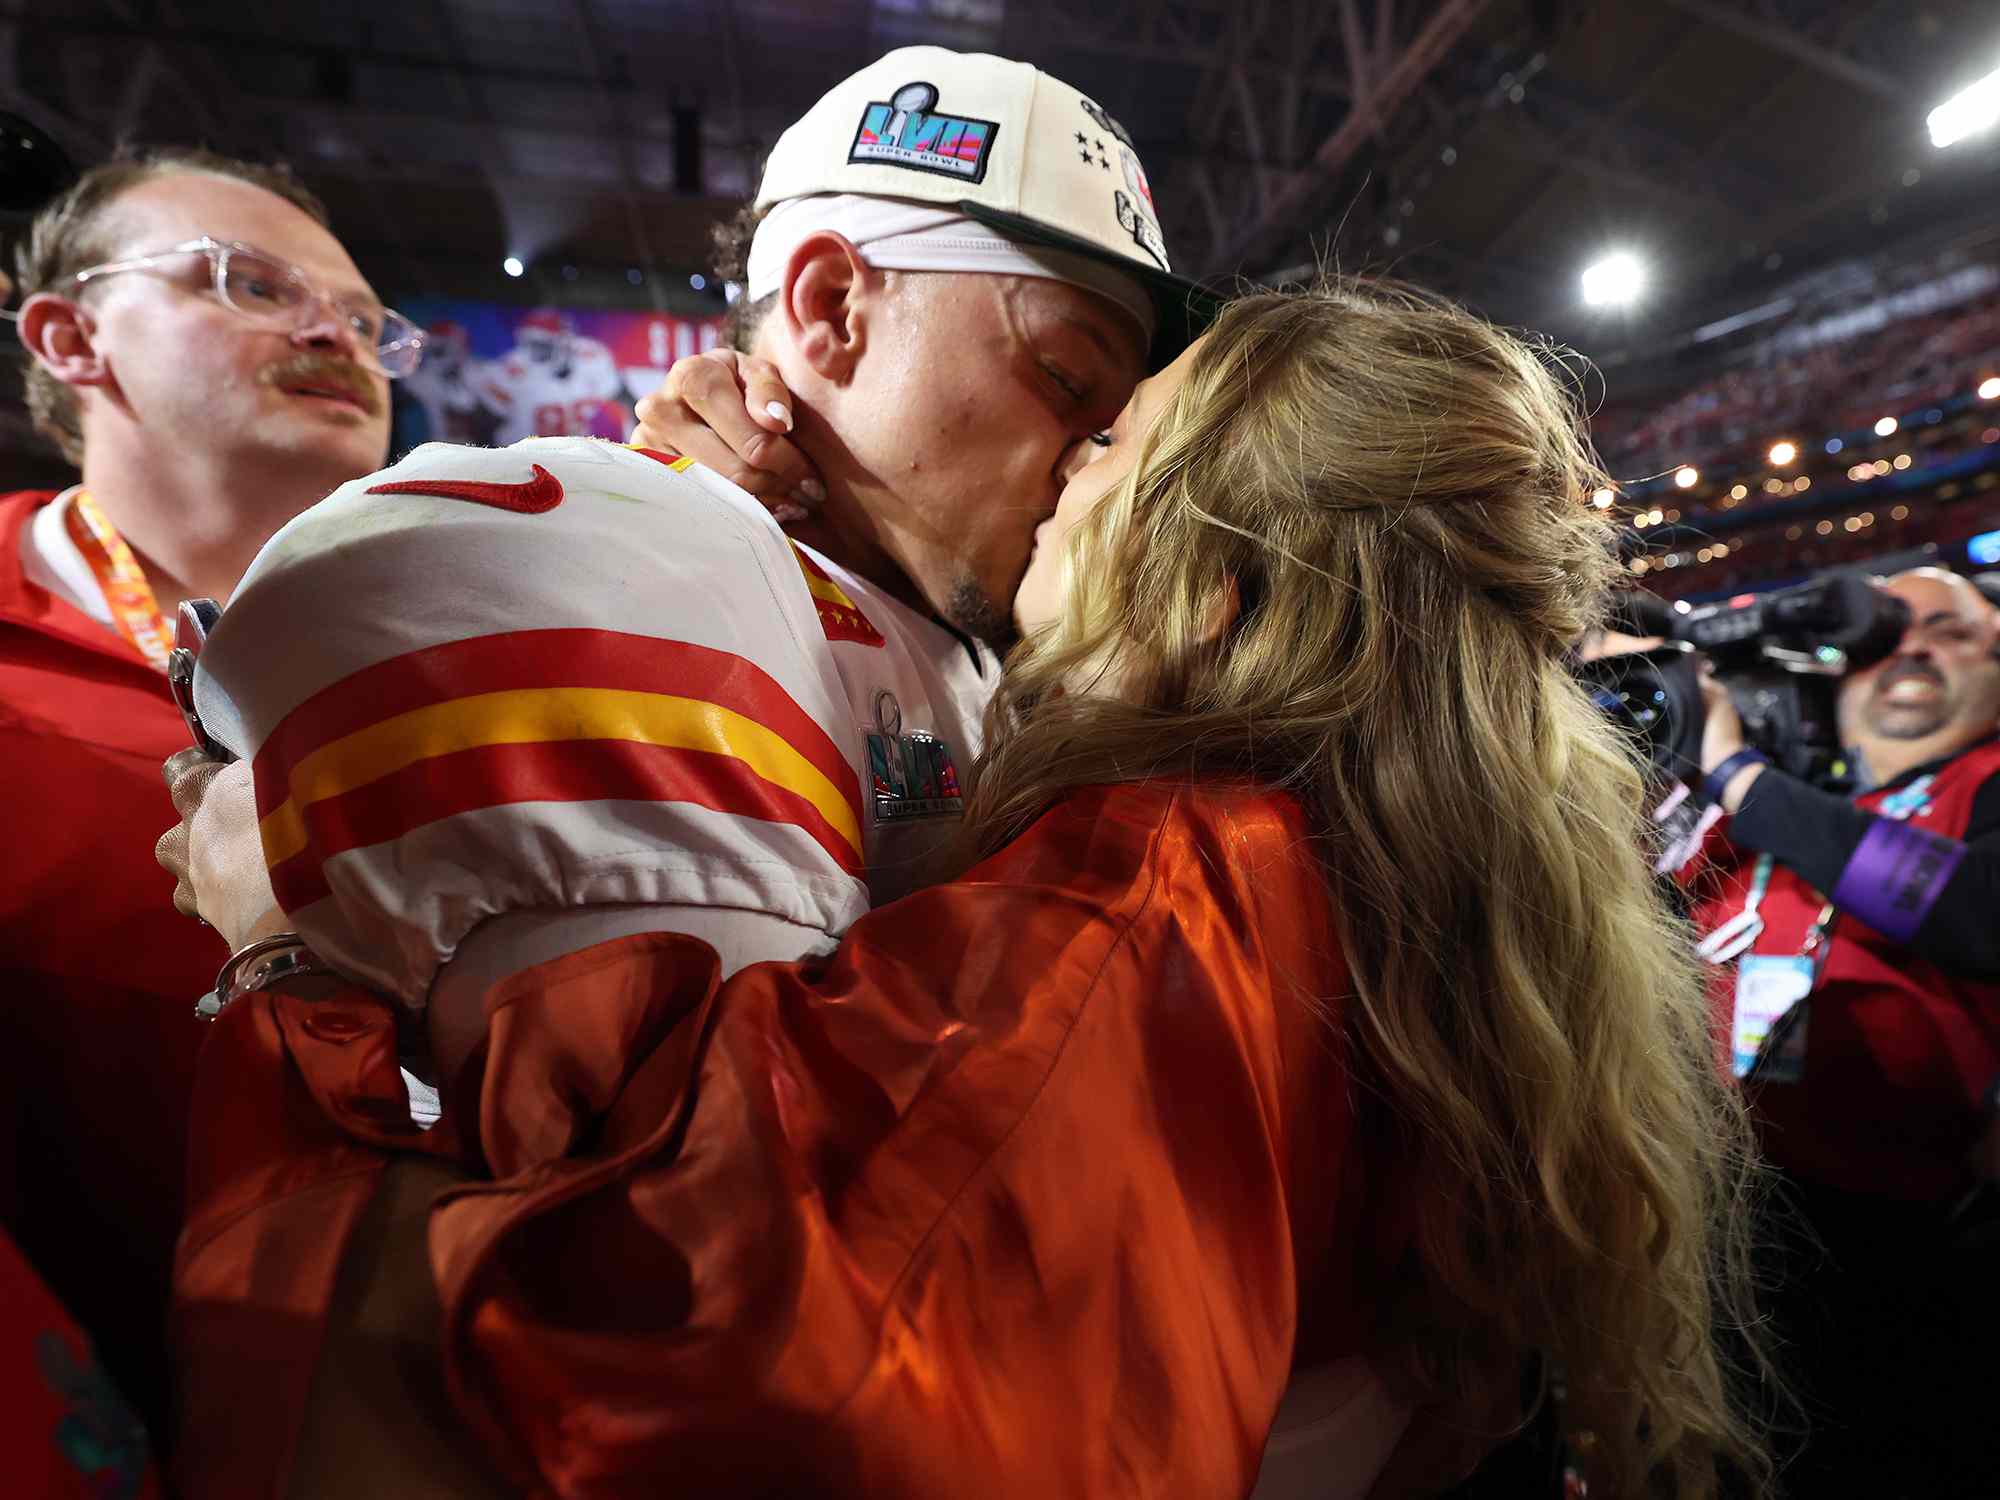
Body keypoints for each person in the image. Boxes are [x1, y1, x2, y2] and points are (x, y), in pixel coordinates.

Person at [167, 281, 1775, 1499]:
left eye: (1111, 439)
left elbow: (733, 1356)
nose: (1061, 476)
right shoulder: (1404, 867)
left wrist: (285, 978)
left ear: (1214, 593)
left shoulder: (1171, 879)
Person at [0, 145, 407, 1441]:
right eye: (248, 283)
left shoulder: (449, 663)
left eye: (361, 319)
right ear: (72, 337)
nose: (328, 332)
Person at [1689, 564, 2000, 1494]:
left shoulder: (1982, 785)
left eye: (1945, 629)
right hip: (1723, 1227)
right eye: (1878, 635)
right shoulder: (1789, 809)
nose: (1907, 647)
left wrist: (1739, 777)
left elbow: (1982, 911)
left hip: (1904, 1263)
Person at [472, 308, 630, 444]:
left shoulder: (591, 357)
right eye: (530, 344)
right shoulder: (509, 371)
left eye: (542, 345)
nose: (535, 352)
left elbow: (623, 400)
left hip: (579, 452)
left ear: (564, 341)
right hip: (525, 457)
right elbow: (485, 421)